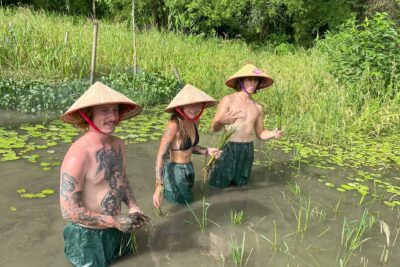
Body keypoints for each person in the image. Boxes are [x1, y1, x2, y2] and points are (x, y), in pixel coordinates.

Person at [59, 81, 146, 267]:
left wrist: (133, 206)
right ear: (88, 114)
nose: (113, 117)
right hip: (88, 238)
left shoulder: (119, 144)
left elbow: (121, 178)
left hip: (118, 229)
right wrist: (112, 221)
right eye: (104, 111)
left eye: (115, 110)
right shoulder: (78, 154)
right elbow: (69, 211)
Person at [208, 63, 284, 188]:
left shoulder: (258, 107)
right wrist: (222, 121)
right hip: (229, 147)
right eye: (249, 79)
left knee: (241, 186)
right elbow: (213, 128)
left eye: (256, 80)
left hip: (247, 150)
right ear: (241, 81)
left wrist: (273, 134)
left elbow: (260, 133)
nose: (253, 84)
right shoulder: (228, 100)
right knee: (218, 185)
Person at [152, 84, 222, 208]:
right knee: (184, 206)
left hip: (188, 168)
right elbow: (161, 155)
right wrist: (158, 185)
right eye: (188, 104)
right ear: (180, 106)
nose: (193, 109)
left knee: (185, 203)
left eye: (196, 104)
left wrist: (207, 151)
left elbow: (190, 147)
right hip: (175, 171)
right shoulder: (174, 125)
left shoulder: (195, 121)